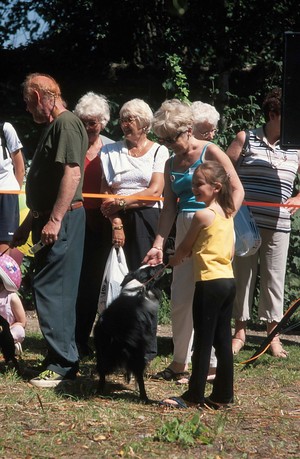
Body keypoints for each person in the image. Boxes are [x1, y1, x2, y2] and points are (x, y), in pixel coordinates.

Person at [143, 99, 244, 381]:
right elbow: (169, 207)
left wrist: (223, 218)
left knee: (210, 296)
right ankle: (179, 362)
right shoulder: (169, 162)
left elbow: (236, 188)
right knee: (181, 297)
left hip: (212, 225)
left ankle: (211, 363)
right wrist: (158, 244)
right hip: (186, 226)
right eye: (162, 139)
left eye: (171, 137)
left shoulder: (211, 151)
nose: (168, 144)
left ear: (188, 129)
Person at [11, 73, 88, 387]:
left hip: (63, 220)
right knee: (53, 288)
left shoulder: (66, 123)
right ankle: (59, 358)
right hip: (50, 219)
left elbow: (72, 172)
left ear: (43, 97)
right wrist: (28, 225)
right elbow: (48, 182)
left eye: (31, 105)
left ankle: (62, 365)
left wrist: (55, 219)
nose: (30, 112)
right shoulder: (56, 126)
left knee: (52, 289)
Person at [227, 87, 300, 357]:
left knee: (274, 279)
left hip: (279, 224)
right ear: (272, 114)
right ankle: (239, 333)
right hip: (245, 223)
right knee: (243, 276)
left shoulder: (297, 145)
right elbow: (222, 170)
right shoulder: (246, 138)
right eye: (288, 116)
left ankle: (273, 336)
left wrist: (299, 197)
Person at [161, 161, 236, 409]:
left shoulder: (202, 215)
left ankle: (194, 395)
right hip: (227, 281)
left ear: (216, 187)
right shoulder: (227, 214)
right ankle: (223, 395)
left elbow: (185, 247)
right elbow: (232, 251)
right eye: (193, 184)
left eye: (199, 184)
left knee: (203, 342)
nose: (194, 189)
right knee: (223, 340)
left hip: (208, 283)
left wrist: (173, 260)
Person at [100, 98, 169, 361]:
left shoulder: (159, 152)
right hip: (117, 219)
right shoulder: (110, 151)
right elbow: (104, 191)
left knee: (145, 283)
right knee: (118, 283)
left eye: (131, 119)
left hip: (147, 220)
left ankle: (146, 347)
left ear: (144, 123)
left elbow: (154, 191)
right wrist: (116, 220)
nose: (124, 124)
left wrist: (122, 201)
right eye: (122, 118)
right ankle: (118, 341)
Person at [73, 92, 113, 358]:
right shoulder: (72, 143)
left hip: (100, 224)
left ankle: (82, 339)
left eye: (93, 122)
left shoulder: (112, 147)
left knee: (91, 283)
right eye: (84, 121)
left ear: (103, 122)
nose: (88, 127)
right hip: (74, 220)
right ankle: (69, 339)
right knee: (72, 282)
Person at [0, 121, 25, 256]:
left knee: (3, 250)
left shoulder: (5, 129)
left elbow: (20, 168)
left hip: (6, 194)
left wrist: (14, 194)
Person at [0, 253, 26, 356]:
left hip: (10, 329)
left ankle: (12, 345)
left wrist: (8, 329)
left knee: (18, 331)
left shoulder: (11, 297)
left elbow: (22, 322)